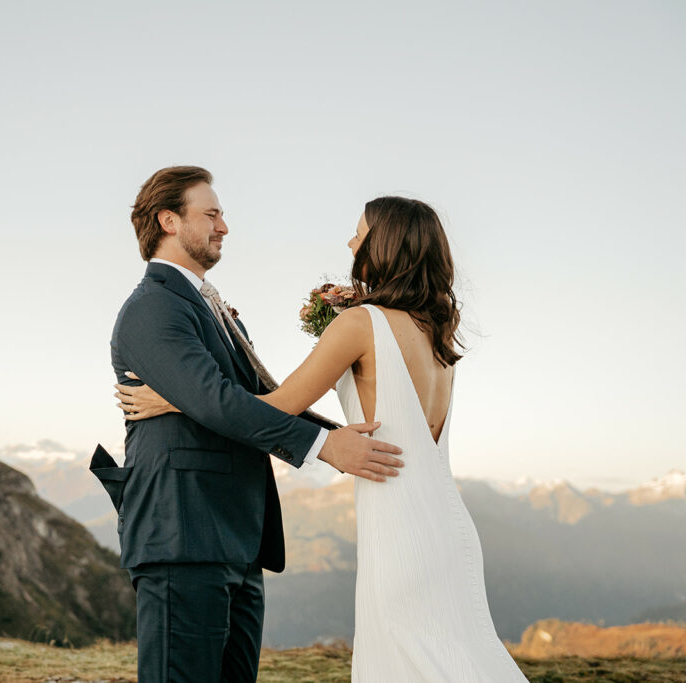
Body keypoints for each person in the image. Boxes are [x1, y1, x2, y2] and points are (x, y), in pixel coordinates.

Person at [118, 196, 529, 681]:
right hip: (445, 523)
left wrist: (175, 397)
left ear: (386, 245)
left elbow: (274, 403)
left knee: (407, 662)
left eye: (360, 233)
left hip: (397, 527)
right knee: (458, 658)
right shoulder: (438, 331)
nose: (351, 243)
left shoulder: (359, 322)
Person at [90, 166, 404, 683]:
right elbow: (216, 402)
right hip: (181, 536)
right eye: (211, 214)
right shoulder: (152, 308)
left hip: (234, 539)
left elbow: (255, 400)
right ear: (169, 220)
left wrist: (342, 436)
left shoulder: (212, 308)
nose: (224, 226)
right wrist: (324, 446)